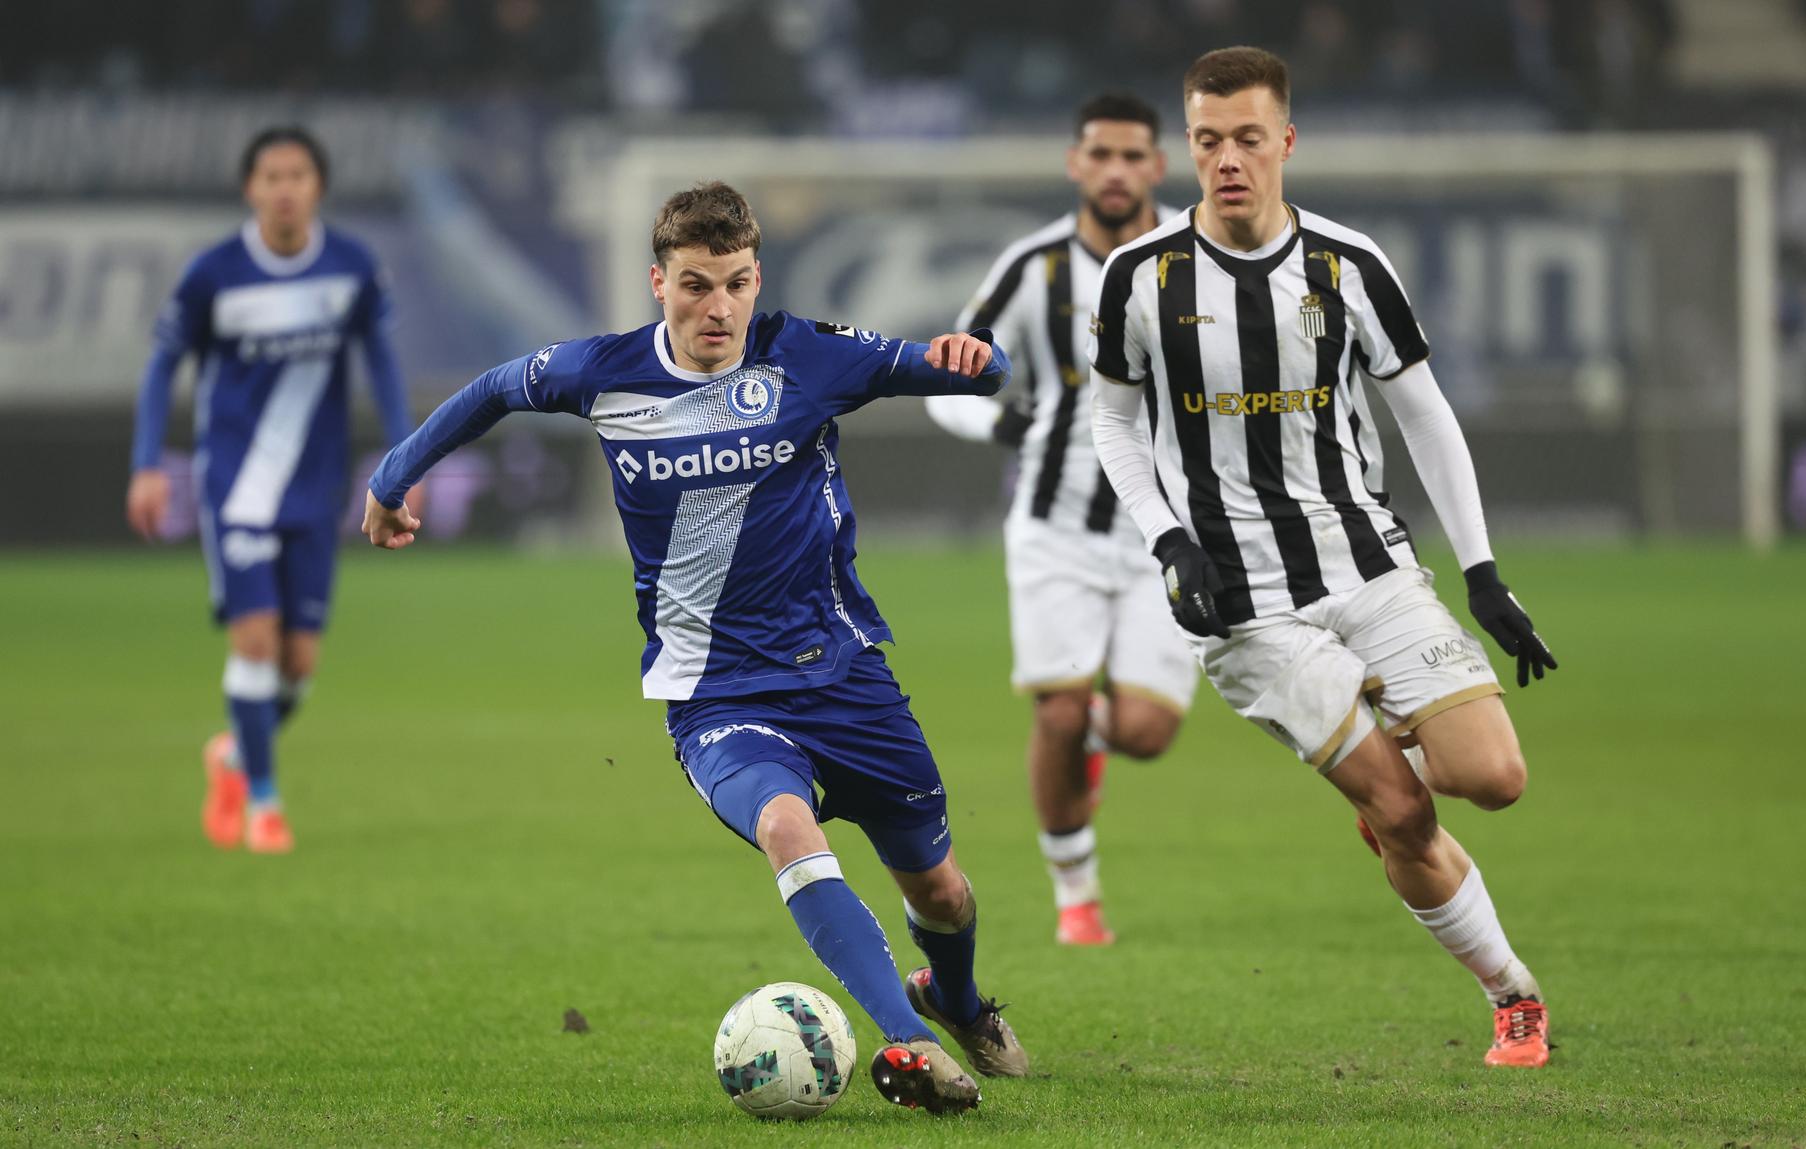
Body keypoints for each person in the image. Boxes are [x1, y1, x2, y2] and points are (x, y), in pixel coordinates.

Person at [361, 182, 1027, 1113]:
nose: (718, 308)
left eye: (738, 284)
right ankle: (909, 1043)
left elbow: (972, 372)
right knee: (785, 828)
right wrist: (394, 478)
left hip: (845, 675)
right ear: (657, 282)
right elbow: (488, 391)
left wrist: (975, 356)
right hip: (716, 696)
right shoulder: (601, 371)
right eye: (696, 285)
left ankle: (951, 1000)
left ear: (759, 279)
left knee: (943, 893)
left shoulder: (809, 356)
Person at [1088, 47, 1561, 1068]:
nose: (1227, 161)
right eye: (1208, 140)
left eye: (1248, 139)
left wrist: (1482, 574)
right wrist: (1168, 538)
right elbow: (1114, 426)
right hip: (1242, 603)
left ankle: (1396, 759)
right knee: (1401, 811)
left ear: (1286, 142)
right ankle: (1512, 993)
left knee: (1496, 776)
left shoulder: (1348, 265)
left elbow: (1426, 418)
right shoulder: (1143, 276)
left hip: (1368, 565)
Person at [927, 92, 1196, 947]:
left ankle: (1090, 739)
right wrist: (1001, 419)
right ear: (1075, 164)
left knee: (1148, 733)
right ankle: (1076, 892)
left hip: (1170, 531)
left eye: (1132, 156)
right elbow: (948, 373)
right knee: (1057, 711)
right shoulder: (1033, 265)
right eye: (1099, 154)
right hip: (1054, 529)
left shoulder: (1203, 256)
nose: (1115, 170)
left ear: (1157, 166)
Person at [126, 126, 416, 854]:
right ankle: (263, 800)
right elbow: (163, 367)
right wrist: (148, 462)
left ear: (317, 186)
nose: (284, 188)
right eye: (270, 176)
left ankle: (232, 754)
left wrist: (406, 453)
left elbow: (381, 363)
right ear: (249, 188)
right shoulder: (214, 274)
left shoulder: (351, 268)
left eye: (297, 175)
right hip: (238, 490)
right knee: (254, 641)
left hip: (316, 491)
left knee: (298, 665)